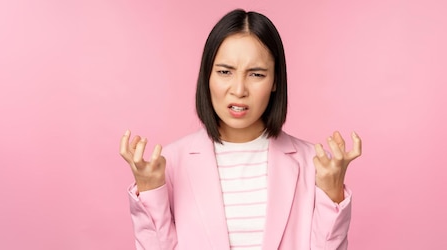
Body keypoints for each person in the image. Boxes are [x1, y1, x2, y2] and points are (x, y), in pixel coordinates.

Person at [119, 9, 362, 250]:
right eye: (225, 72)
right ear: (207, 75)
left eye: (256, 74)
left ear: (275, 80)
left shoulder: (313, 164)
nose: (238, 89)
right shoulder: (169, 164)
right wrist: (150, 190)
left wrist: (333, 194)